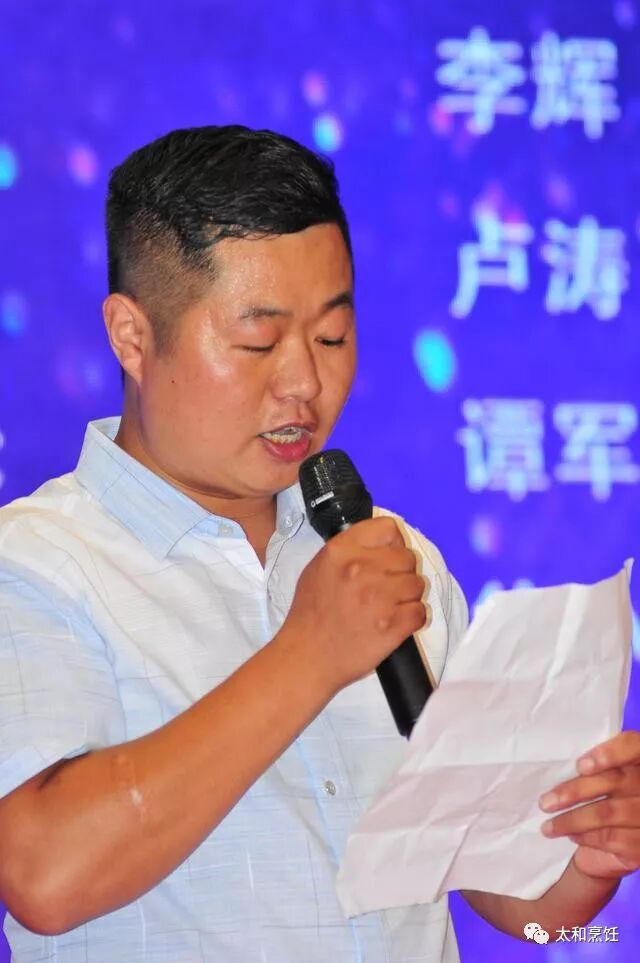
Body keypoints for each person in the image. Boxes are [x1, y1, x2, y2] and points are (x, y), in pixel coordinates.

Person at [0, 126, 637, 963]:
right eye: (258, 342)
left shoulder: (390, 556)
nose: (305, 381)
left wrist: (589, 853)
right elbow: (44, 874)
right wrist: (309, 656)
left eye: (332, 337)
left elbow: (523, 906)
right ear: (132, 335)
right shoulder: (36, 563)